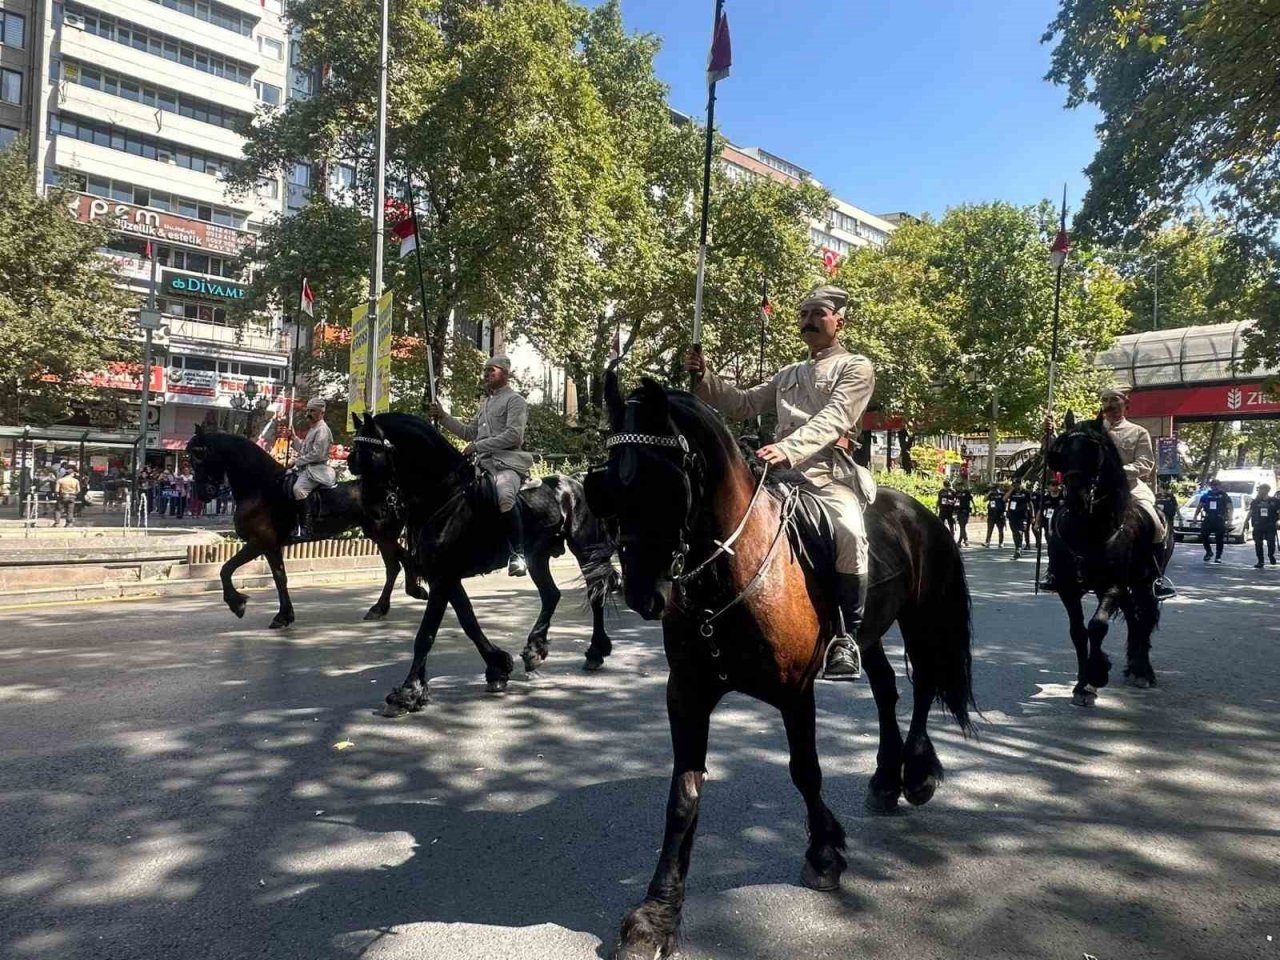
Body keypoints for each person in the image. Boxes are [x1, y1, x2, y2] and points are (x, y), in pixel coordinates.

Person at [684, 284, 876, 682]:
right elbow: (743, 404)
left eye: (818, 314)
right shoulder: (788, 373)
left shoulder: (856, 367)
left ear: (840, 321)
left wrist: (789, 447)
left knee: (850, 532)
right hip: (778, 472)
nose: (808, 321)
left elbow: (835, 417)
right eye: (804, 314)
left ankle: (847, 635)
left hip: (827, 475)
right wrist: (706, 378)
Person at [1041, 385, 1175, 599]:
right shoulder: (1090, 430)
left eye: (1115, 400)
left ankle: (1155, 577)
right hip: (1094, 488)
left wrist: (1116, 472)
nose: (1110, 405)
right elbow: (1064, 448)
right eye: (1105, 400)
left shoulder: (1138, 432)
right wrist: (1050, 434)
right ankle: (1056, 572)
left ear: (1125, 404)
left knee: (1155, 521)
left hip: (1129, 488)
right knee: (1056, 520)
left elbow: (1146, 463)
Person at [432, 355, 534, 576]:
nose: (486, 374)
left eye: (492, 370)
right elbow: (470, 432)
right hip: (482, 464)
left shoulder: (515, 400)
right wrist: (443, 417)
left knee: (505, 495)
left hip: (506, 463)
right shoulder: (486, 402)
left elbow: (514, 436)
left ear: (505, 374)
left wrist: (478, 445)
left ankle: (518, 555)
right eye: (485, 371)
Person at [285, 398, 337, 539]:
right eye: (308, 410)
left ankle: (306, 528)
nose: (308, 413)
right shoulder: (313, 429)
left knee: (298, 489)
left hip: (316, 470)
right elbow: (304, 449)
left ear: (321, 412)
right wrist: (294, 438)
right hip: (306, 469)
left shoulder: (323, 430)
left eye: (312, 410)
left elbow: (317, 454)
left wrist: (296, 461)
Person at [1192, 478, 1232, 563]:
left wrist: (1229, 520)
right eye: (1213, 485)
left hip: (1219, 518)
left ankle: (1218, 556)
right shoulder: (1206, 495)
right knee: (1204, 535)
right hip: (1208, 518)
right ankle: (1208, 552)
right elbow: (1200, 506)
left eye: (1217, 485)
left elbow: (1229, 508)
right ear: (1211, 486)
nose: (1215, 487)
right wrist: (1195, 516)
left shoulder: (1224, 496)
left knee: (1219, 538)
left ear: (1220, 486)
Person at [1248, 482, 1278, 569]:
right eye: (1259, 489)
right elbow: (1250, 512)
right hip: (1258, 525)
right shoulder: (1255, 501)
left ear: (1267, 490)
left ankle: (1270, 555)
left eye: (1261, 489)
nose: (1260, 491)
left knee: (1271, 543)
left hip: (1270, 525)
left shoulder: (1274, 501)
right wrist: (1246, 521)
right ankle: (1260, 561)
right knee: (1258, 544)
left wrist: (1278, 521)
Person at [1032, 479, 1064, 551]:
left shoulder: (1062, 497)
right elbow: (1040, 511)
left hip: (1059, 523)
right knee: (1050, 541)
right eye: (1053, 485)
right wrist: (1037, 523)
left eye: (1056, 485)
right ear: (1049, 487)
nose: (1055, 487)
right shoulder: (1045, 498)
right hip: (1047, 523)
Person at [1005, 477, 1032, 559]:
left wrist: (1033, 516)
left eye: (1016, 484)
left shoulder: (1025, 493)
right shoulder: (1012, 492)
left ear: (1019, 484)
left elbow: (1030, 504)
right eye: (1013, 484)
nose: (1015, 486)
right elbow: (1004, 499)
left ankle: (1018, 549)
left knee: (1020, 532)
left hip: (1022, 516)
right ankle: (1017, 547)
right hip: (1012, 516)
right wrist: (1010, 490)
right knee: (1015, 533)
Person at [984, 482, 1007, 548]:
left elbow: (1005, 502)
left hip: (1000, 514)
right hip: (991, 514)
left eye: (993, 488)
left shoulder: (1002, 494)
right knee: (989, 529)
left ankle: (1001, 542)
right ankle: (987, 542)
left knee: (1000, 530)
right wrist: (989, 493)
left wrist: (1005, 512)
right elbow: (984, 500)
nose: (992, 489)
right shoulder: (991, 494)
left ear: (997, 488)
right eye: (992, 488)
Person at [954, 481, 974, 546]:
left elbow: (972, 500)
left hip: (965, 511)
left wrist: (975, 509)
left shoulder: (966, 492)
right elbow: (954, 501)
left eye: (960, 486)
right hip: (958, 511)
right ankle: (964, 540)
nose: (959, 487)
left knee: (962, 526)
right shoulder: (956, 493)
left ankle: (961, 541)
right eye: (958, 486)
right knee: (962, 526)